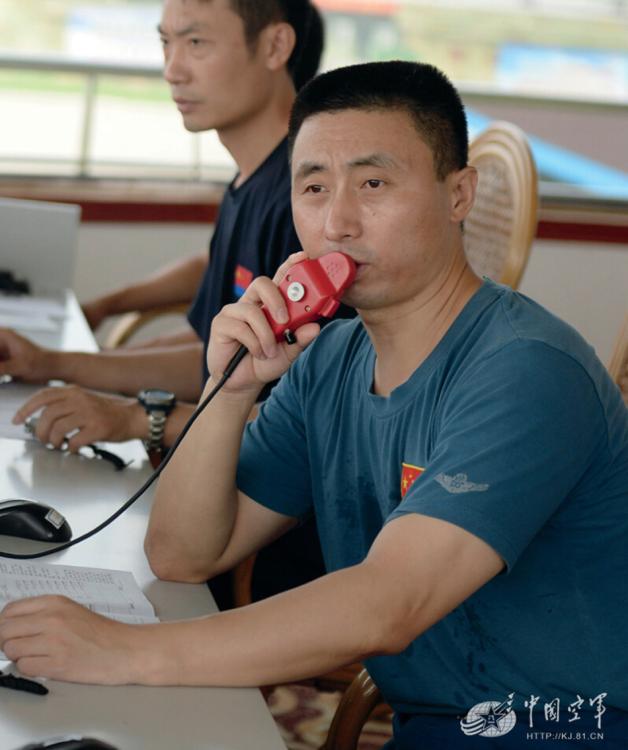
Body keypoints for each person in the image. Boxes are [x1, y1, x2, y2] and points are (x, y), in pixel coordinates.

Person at [1, 61, 627, 749]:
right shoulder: (329, 358)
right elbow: (183, 553)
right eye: (314, 187)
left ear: (459, 194)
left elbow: (392, 602)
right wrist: (229, 390)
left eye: (374, 183)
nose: (337, 222)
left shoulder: (528, 370)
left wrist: (128, 652)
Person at [0, 0, 326, 452]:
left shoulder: (309, 198)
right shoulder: (249, 181)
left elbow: (303, 418)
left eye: (195, 43)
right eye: (165, 43)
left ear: (275, 45)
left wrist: (133, 415)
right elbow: (211, 361)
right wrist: (50, 362)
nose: (173, 70)